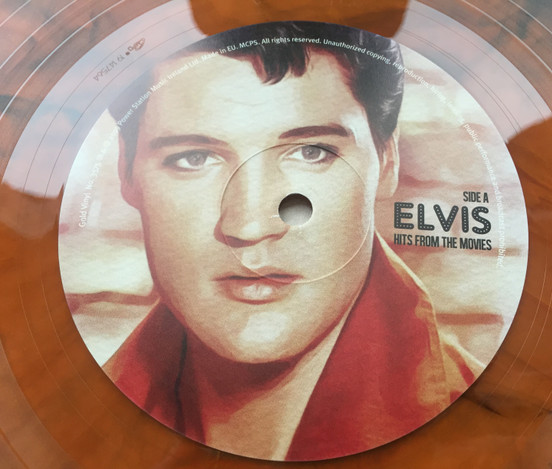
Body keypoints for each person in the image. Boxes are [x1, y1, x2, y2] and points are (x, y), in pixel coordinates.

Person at [105, 22, 481, 461]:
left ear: (387, 160)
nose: (249, 226)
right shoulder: (66, 413)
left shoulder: (500, 438)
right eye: (194, 158)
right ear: (126, 170)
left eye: (311, 152)